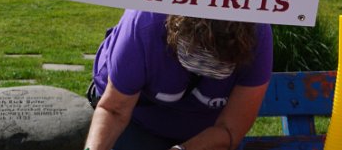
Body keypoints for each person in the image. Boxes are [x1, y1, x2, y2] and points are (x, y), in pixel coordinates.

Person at [83, 10, 272, 150]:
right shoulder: (144, 21)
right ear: (174, 30)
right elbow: (114, 110)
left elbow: (231, 128)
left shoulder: (259, 33)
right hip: (138, 120)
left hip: (206, 132)